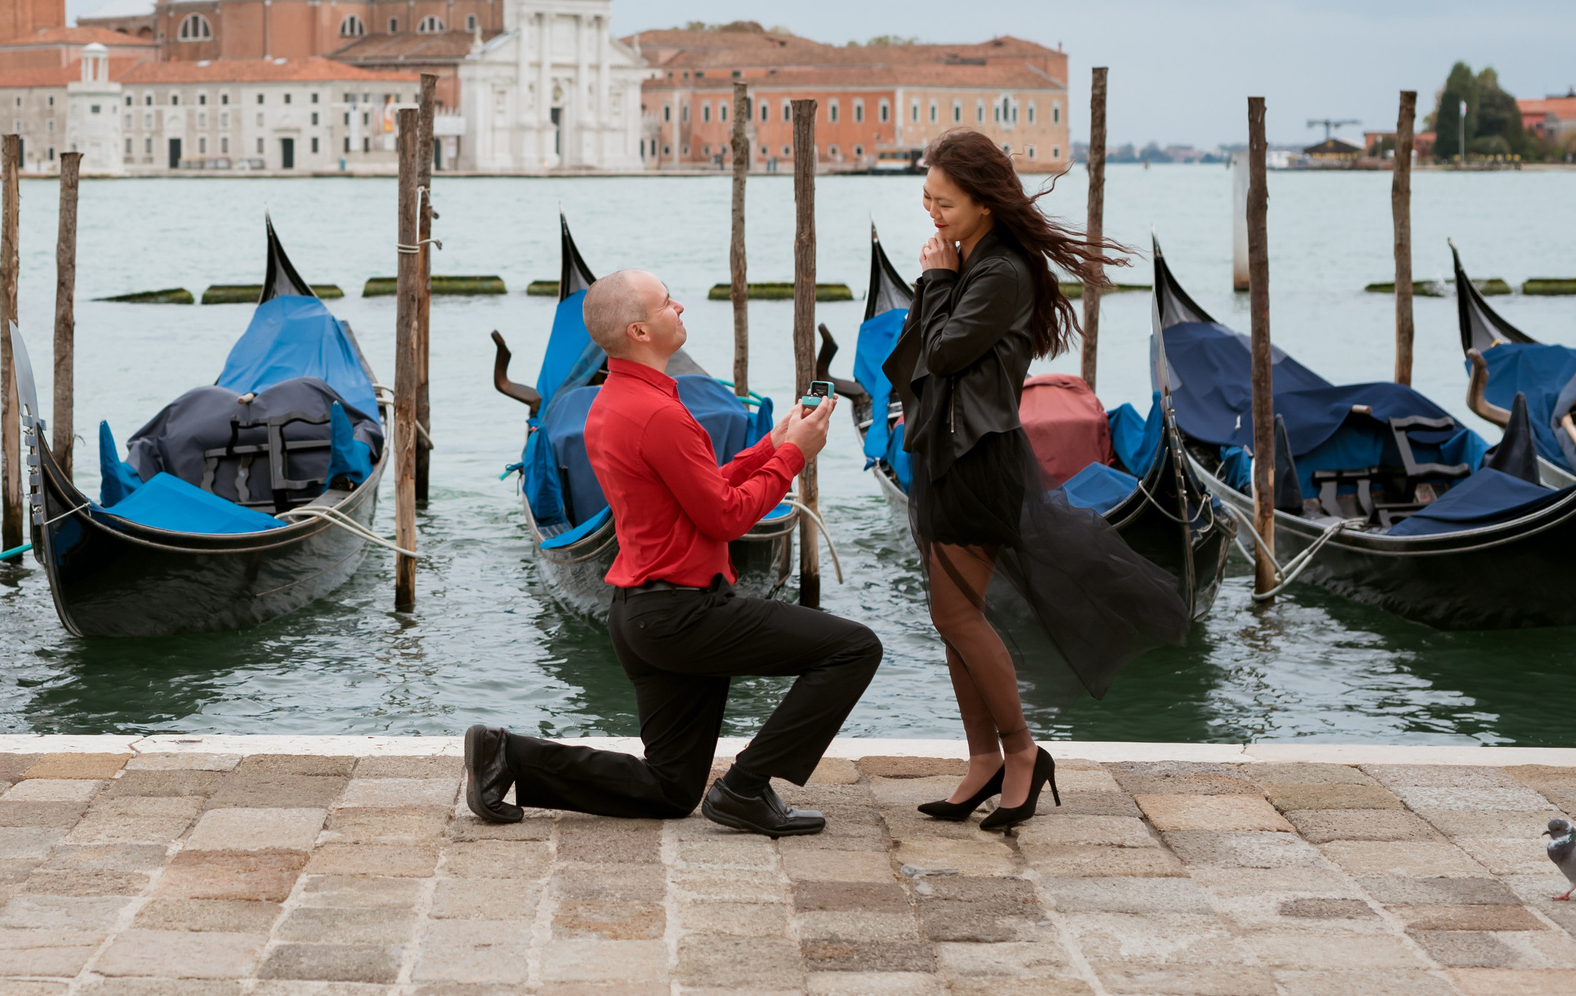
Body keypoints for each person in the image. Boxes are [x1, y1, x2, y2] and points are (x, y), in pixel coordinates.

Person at [463, 269, 881, 837]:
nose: (679, 306)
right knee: (854, 648)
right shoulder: (659, 413)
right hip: (684, 616)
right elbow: (725, 516)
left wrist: (772, 443)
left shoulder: (616, 401)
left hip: (641, 615)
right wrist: (794, 458)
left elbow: (702, 489)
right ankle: (746, 787)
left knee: (670, 789)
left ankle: (508, 755)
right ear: (638, 331)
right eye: (666, 303)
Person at [889, 129, 1188, 832]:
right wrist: (940, 279)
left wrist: (936, 279)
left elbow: (943, 351)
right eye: (927, 199)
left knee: (960, 616)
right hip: (945, 453)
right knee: (949, 619)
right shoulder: (969, 259)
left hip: (977, 459)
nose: (932, 213)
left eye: (945, 203)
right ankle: (982, 760)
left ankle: (1021, 752)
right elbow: (915, 357)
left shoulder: (1000, 272)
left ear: (986, 204)